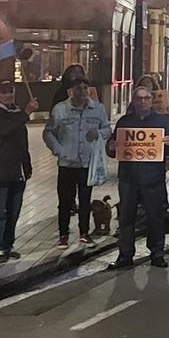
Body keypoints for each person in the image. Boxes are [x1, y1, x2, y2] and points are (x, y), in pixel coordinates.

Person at [107, 85, 169, 269]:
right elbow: (112, 148)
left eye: (147, 98)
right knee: (126, 218)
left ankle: (157, 253)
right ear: (134, 101)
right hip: (129, 179)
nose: (143, 101)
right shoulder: (124, 122)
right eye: (140, 98)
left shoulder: (162, 122)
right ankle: (125, 255)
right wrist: (111, 146)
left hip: (153, 179)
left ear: (151, 101)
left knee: (156, 217)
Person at [44, 77, 112, 248]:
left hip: (87, 163)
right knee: (65, 201)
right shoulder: (60, 110)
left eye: (85, 87)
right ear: (71, 90)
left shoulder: (98, 109)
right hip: (67, 163)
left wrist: (99, 133)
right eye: (78, 88)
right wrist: (58, 149)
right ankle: (63, 235)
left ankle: (84, 233)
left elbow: (107, 128)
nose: (82, 91)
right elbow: (49, 132)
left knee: (85, 199)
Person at [0, 80, 38, 262]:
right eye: (4, 91)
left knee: (14, 210)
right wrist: (26, 113)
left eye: (11, 91)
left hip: (18, 170)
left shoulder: (15, 112)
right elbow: (5, 129)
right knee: (0, 209)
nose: (8, 95)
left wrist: (27, 165)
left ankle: (8, 244)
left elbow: (22, 142)